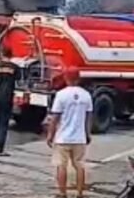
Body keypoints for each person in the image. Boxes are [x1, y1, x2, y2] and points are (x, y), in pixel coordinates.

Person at [46, 66, 93, 198]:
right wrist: (87, 134)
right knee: (80, 165)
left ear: (66, 77)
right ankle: (79, 193)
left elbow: (55, 117)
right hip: (79, 138)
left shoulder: (61, 95)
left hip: (63, 138)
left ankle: (62, 193)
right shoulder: (86, 95)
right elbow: (89, 117)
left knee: (61, 166)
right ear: (79, 78)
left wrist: (50, 135)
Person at [0, 45, 19, 156]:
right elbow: (18, 80)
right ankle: (0, 148)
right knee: (4, 122)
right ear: (11, 55)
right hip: (7, 96)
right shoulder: (15, 68)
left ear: (1, 54)